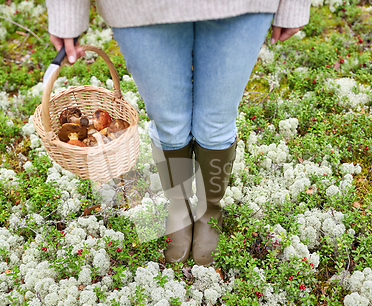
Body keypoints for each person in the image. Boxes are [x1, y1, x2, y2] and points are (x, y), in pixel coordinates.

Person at [46, 0, 311, 266]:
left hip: (241, 7)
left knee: (217, 121)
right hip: (139, 8)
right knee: (168, 122)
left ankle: (210, 212)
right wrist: (66, 12)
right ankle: (179, 208)